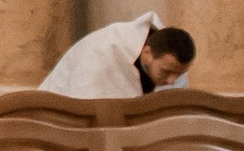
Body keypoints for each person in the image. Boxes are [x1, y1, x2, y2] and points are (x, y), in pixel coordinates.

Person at [43, 14, 195, 100]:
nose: (172, 81)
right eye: (166, 72)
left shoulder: (173, 64)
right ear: (148, 53)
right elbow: (84, 105)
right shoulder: (104, 50)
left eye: (179, 74)